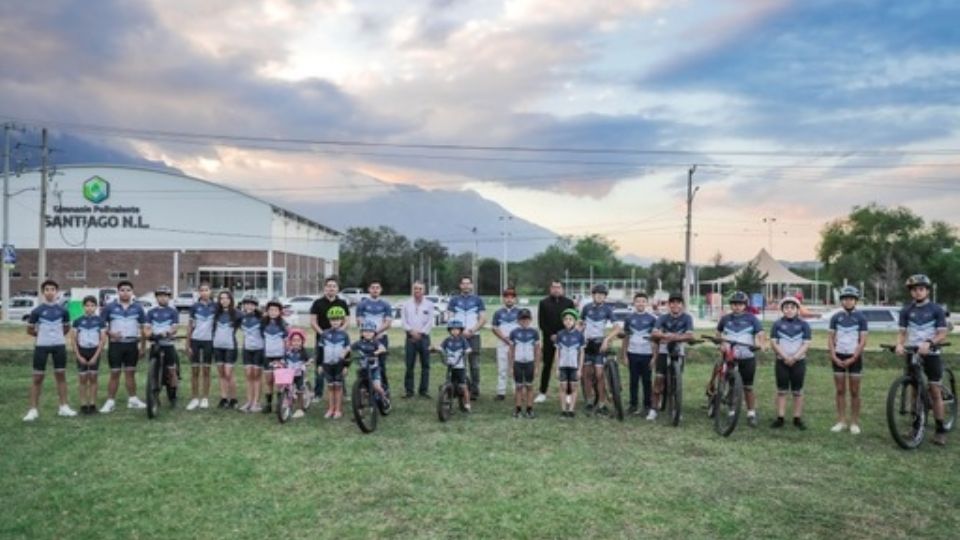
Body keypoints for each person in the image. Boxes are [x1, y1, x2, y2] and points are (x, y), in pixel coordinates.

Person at [896, 274, 950, 446]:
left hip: (932, 353)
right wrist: (899, 344)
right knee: (914, 390)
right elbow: (903, 332)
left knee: (934, 390)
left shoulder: (936, 309)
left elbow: (942, 333)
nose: (918, 292)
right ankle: (916, 425)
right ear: (911, 292)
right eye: (914, 290)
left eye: (921, 289)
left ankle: (940, 429)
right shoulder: (906, 310)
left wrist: (929, 342)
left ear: (927, 290)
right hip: (913, 352)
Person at [23, 280, 75, 421]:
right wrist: (42, 336)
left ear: (57, 292)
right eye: (47, 289)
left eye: (53, 289)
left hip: (59, 346)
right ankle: (33, 410)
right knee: (37, 377)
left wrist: (56, 336)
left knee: (61, 376)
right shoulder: (37, 311)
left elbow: (66, 328)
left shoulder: (63, 311)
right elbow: (29, 329)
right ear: (43, 292)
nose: (50, 292)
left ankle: (64, 407)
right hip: (41, 346)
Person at [713, 291, 766, 427]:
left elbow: (760, 333)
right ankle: (732, 411)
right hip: (730, 356)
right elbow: (718, 333)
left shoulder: (752, 318)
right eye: (734, 304)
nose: (737, 307)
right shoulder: (725, 319)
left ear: (745, 305)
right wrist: (721, 343)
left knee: (748, 387)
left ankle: (751, 413)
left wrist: (760, 344)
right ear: (731, 305)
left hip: (747, 356)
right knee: (732, 386)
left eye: (740, 304)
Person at [99, 280, 147, 413]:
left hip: (132, 345)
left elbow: (144, 328)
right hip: (116, 345)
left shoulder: (138, 308)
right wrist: (111, 333)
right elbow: (101, 326)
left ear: (132, 292)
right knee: (115, 373)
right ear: (118, 291)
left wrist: (143, 347)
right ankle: (110, 401)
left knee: (130, 373)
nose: (125, 292)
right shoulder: (109, 307)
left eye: (128, 290)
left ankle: (133, 400)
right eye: (122, 290)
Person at [827, 286, 868, 434]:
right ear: (841, 301)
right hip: (838, 355)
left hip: (854, 357)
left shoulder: (861, 317)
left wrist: (854, 357)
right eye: (845, 299)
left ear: (855, 300)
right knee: (840, 390)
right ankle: (841, 421)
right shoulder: (835, 317)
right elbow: (831, 339)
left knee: (855, 391)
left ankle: (854, 422)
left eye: (851, 299)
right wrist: (833, 355)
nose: (848, 301)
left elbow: (863, 341)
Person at [648, 292, 695, 422]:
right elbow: (654, 332)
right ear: (669, 305)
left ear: (682, 305)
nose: (675, 305)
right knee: (658, 381)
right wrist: (664, 336)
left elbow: (690, 336)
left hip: (679, 352)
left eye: (678, 303)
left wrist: (672, 337)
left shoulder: (687, 318)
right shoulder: (663, 318)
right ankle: (653, 409)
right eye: (672, 302)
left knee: (676, 384)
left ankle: (675, 410)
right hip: (663, 352)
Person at [769, 297, 812, 430]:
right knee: (781, 391)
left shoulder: (804, 325)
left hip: (798, 362)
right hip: (782, 362)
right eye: (786, 307)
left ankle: (797, 418)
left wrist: (795, 357)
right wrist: (785, 357)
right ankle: (780, 417)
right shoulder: (777, 324)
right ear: (782, 309)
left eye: (792, 308)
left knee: (797, 391)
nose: (789, 310)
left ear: (797, 309)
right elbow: (774, 343)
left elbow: (806, 344)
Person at [580, 284, 619, 414]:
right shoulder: (586, 308)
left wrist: (607, 339)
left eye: (602, 295)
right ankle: (589, 401)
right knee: (586, 375)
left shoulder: (607, 310)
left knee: (599, 375)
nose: (599, 296)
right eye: (597, 294)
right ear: (593, 295)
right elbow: (581, 324)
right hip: (587, 344)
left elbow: (617, 328)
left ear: (605, 297)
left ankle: (602, 403)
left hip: (599, 344)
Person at [309, 276, 350, 400]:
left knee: (340, 364)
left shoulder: (342, 303)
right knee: (320, 364)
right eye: (329, 286)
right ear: (325, 288)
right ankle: (318, 393)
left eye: (334, 286)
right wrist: (324, 334)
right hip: (322, 338)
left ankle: (342, 392)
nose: (331, 288)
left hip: (339, 340)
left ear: (337, 289)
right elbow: (313, 321)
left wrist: (339, 332)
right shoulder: (317, 303)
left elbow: (347, 320)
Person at [536, 280, 576, 403]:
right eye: (554, 287)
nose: (556, 289)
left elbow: (572, 320)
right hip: (549, 339)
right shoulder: (543, 303)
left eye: (558, 287)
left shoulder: (569, 302)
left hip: (566, 340)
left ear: (562, 289)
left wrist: (562, 335)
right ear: (550, 288)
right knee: (547, 365)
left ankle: (568, 393)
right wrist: (551, 335)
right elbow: (541, 323)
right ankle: (542, 392)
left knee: (567, 366)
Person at [447, 277, 486, 399]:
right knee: (456, 363)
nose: (466, 286)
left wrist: (472, 330)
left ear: (471, 286)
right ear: (460, 286)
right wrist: (457, 332)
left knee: (474, 365)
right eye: (463, 283)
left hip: (474, 336)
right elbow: (450, 317)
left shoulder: (478, 300)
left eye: (468, 283)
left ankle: (474, 390)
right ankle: (456, 387)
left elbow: (483, 319)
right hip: (457, 337)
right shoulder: (454, 300)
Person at [144, 286, 181, 408]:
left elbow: (174, 327)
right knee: (152, 371)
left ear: (169, 297)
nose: (162, 298)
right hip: (155, 343)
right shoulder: (151, 312)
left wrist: (168, 332)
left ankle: (173, 395)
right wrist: (148, 334)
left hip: (168, 343)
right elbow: (147, 327)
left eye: (165, 296)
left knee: (171, 370)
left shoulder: (172, 311)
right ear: (156, 297)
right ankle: (154, 395)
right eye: (160, 295)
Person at [622, 292, 657, 416]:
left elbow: (655, 340)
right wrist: (624, 355)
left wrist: (654, 357)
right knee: (633, 381)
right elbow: (626, 337)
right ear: (634, 303)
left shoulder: (653, 319)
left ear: (647, 303)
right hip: (633, 353)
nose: (640, 303)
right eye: (638, 301)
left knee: (647, 381)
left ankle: (647, 405)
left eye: (643, 301)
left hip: (647, 354)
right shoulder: (629, 318)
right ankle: (633, 405)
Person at [355, 280, 393, 393]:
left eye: (377, 287)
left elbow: (388, 323)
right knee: (364, 365)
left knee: (381, 365)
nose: (375, 289)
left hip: (381, 338)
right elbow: (359, 321)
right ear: (369, 289)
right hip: (365, 338)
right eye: (373, 287)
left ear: (380, 290)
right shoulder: (362, 304)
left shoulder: (386, 304)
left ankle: (384, 389)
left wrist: (375, 333)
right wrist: (368, 333)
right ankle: (365, 388)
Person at [72, 295, 107, 415]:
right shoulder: (77, 321)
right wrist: (78, 355)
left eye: (92, 305)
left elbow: (102, 341)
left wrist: (95, 356)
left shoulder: (100, 321)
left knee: (93, 379)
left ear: (96, 307)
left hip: (94, 352)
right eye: (87, 305)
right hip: (82, 351)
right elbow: (73, 340)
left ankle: (92, 404)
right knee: (82, 379)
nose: (89, 308)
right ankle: (83, 405)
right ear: (83, 307)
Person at [401, 281, 434, 398]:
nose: (417, 291)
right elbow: (404, 321)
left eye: (420, 289)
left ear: (424, 291)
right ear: (412, 290)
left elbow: (430, 321)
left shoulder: (429, 305)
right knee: (409, 365)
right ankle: (409, 391)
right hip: (410, 338)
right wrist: (411, 331)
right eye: (415, 289)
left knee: (425, 365)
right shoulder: (406, 304)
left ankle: (423, 391)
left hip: (424, 338)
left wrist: (421, 333)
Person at [185, 282, 215, 410]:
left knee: (207, 371)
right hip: (196, 340)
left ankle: (205, 398)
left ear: (210, 291)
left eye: (206, 290)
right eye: (201, 290)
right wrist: (187, 343)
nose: (204, 292)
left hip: (209, 341)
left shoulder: (216, 306)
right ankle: (194, 398)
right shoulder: (194, 307)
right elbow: (190, 326)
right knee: (195, 371)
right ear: (199, 292)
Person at [433, 319, 473, 412]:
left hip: (460, 367)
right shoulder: (447, 340)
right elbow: (441, 347)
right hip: (450, 366)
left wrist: (466, 351)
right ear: (449, 330)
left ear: (460, 331)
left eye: (457, 329)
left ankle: (467, 403)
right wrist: (435, 348)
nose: (455, 331)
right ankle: (447, 402)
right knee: (448, 383)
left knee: (463, 386)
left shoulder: (463, 340)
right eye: (453, 329)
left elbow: (468, 349)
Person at [351, 320, 390, 411]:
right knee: (361, 390)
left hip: (374, 369)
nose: (368, 333)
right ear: (362, 333)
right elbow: (349, 348)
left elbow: (382, 348)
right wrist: (344, 354)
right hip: (363, 369)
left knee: (376, 387)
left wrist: (376, 352)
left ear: (374, 333)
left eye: (370, 331)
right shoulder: (359, 343)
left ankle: (384, 398)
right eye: (365, 331)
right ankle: (360, 411)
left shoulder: (375, 342)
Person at [319, 306, 351, 419]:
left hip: (339, 365)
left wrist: (346, 366)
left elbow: (348, 352)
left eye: (337, 319)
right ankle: (330, 409)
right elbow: (320, 351)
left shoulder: (344, 335)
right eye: (333, 319)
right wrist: (320, 364)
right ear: (329, 320)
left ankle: (338, 410)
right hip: (327, 364)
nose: (335, 322)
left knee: (338, 387)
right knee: (330, 387)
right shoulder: (324, 334)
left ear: (342, 320)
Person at [508, 308, 540, 418]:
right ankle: (518, 409)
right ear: (518, 320)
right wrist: (511, 366)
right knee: (518, 387)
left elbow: (537, 350)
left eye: (527, 319)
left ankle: (529, 409)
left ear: (530, 320)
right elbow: (511, 350)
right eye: (522, 319)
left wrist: (536, 366)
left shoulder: (534, 332)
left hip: (529, 363)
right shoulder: (514, 333)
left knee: (529, 386)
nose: (524, 321)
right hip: (518, 363)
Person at [212, 290, 241, 409]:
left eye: (227, 298)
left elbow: (250, 319)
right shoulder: (216, 313)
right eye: (222, 298)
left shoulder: (237, 314)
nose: (224, 300)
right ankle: (223, 398)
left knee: (229, 373)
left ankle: (233, 399)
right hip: (217, 346)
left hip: (230, 346)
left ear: (231, 300)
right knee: (221, 373)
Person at [275, 328, 311, 419]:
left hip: (299, 373)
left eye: (298, 340)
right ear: (290, 341)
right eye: (294, 340)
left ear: (302, 341)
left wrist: (307, 363)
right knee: (285, 386)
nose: (296, 342)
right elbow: (283, 360)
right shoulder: (288, 352)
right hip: (289, 373)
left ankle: (300, 408)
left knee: (299, 390)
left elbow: (309, 359)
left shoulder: (303, 352)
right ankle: (285, 402)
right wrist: (279, 364)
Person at [491, 288, 520, 401]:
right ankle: (501, 392)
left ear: (515, 299)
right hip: (502, 343)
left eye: (511, 297)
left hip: (516, 344)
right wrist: (504, 338)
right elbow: (494, 328)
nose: (509, 299)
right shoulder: (498, 313)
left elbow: (523, 327)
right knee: (502, 368)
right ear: (503, 299)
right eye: (507, 297)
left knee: (515, 367)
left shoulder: (519, 312)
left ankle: (516, 391)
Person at [555, 309, 584, 418]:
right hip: (563, 365)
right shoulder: (560, 334)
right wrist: (557, 368)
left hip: (574, 366)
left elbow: (581, 353)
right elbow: (557, 352)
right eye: (566, 319)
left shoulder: (579, 335)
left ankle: (571, 409)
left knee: (573, 387)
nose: (568, 321)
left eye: (570, 319)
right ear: (563, 321)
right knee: (563, 387)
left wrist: (580, 369)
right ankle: (563, 409)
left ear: (575, 321)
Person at [261, 299, 288, 414]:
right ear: (267, 311)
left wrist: (285, 356)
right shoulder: (264, 323)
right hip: (267, 355)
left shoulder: (283, 324)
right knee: (268, 380)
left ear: (279, 311)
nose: (273, 312)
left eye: (275, 310)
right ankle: (268, 404)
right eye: (270, 310)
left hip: (279, 356)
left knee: (279, 381)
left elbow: (286, 341)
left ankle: (279, 404)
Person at [238, 295, 265, 412]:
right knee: (249, 376)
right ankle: (249, 401)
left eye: (251, 304)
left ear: (255, 306)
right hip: (247, 350)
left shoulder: (261, 318)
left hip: (259, 349)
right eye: (247, 304)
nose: (249, 306)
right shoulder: (242, 318)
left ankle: (256, 402)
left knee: (256, 376)